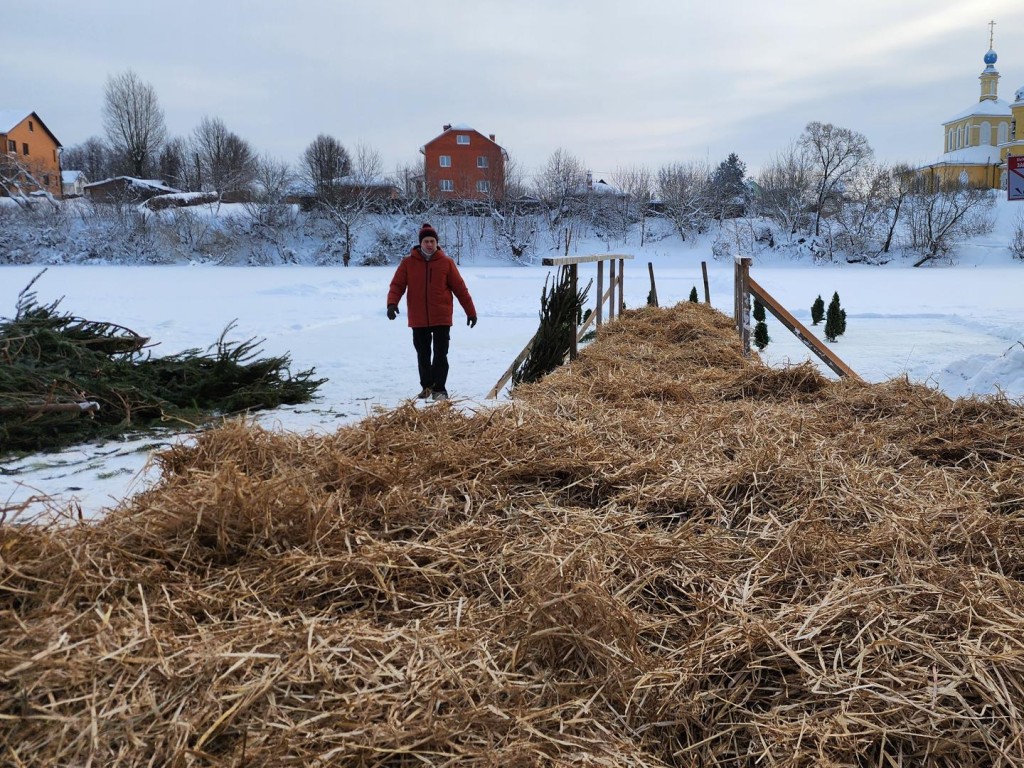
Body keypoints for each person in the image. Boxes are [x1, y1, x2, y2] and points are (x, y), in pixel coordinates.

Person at [387, 223, 477, 401]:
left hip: (441, 316)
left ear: (437, 243)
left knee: (440, 354)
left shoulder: (446, 263)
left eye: (432, 241)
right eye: (426, 241)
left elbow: (460, 289)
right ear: (420, 243)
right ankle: (427, 387)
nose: (429, 244)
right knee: (423, 355)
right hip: (418, 317)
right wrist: (391, 303)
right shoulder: (408, 263)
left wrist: (471, 312)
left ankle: (440, 389)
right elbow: (397, 285)